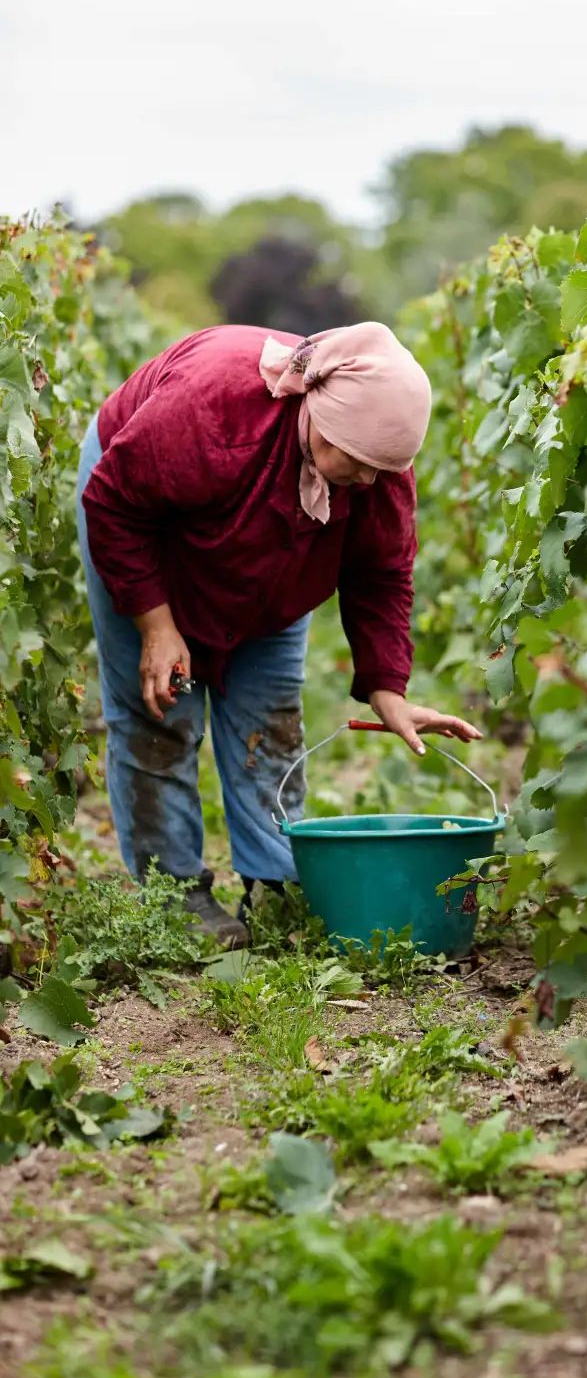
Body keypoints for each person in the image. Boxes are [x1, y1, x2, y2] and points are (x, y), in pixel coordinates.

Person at [76, 321, 481, 947]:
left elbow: (382, 574)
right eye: (363, 464)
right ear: (322, 418)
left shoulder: (374, 467)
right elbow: (115, 504)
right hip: (142, 523)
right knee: (160, 712)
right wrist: (155, 624)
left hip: (275, 565)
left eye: (386, 471)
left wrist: (388, 689)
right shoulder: (212, 410)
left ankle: (276, 885)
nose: (372, 482)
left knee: (270, 715)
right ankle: (173, 891)